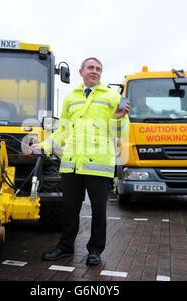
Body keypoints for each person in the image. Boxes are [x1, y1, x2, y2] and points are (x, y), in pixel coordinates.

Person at [30, 57, 130, 266]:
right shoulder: (71, 97)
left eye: (99, 69)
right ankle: (65, 248)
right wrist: (46, 146)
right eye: (91, 68)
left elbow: (121, 132)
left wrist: (119, 118)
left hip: (98, 166)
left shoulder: (112, 97)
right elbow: (63, 130)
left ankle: (95, 250)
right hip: (71, 164)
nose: (95, 71)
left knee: (99, 212)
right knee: (69, 211)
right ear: (81, 72)